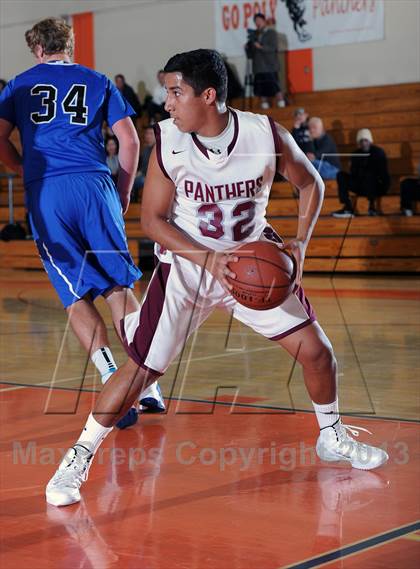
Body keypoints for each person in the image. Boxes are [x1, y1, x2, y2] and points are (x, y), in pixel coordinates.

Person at [45, 49, 388, 507]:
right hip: (188, 269)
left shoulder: (265, 134)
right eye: (166, 92)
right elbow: (153, 221)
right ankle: (78, 456)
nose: (166, 102)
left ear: (208, 96)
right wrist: (208, 261)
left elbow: (312, 183)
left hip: (252, 264)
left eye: (175, 92)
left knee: (318, 354)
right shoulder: (167, 140)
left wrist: (301, 242)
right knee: (141, 371)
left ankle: (332, 434)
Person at [0, 18, 164, 430]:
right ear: (70, 45)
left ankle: (111, 375)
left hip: (48, 193)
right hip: (95, 185)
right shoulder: (98, 80)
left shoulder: (18, 85)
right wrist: (123, 189)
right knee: (118, 285)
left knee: (75, 295)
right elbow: (128, 141)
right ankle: (145, 382)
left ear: (38, 49)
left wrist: (21, 167)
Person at [332, 129, 390, 218]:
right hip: (360, 184)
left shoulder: (378, 152)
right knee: (341, 175)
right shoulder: (355, 154)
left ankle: (372, 207)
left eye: (366, 140)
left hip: (376, 186)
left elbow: (383, 173)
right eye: (361, 141)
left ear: (370, 141)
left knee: (369, 175)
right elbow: (353, 173)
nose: (364, 143)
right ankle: (348, 207)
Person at [250, 13, 285, 109]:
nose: (258, 23)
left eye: (259, 20)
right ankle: (264, 105)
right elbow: (251, 52)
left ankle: (281, 103)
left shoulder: (271, 33)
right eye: (256, 21)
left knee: (275, 85)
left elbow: (273, 48)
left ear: (264, 21)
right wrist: (248, 46)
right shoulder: (254, 34)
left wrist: (261, 47)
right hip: (258, 65)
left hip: (269, 65)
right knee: (261, 88)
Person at [132, 125, 155, 202]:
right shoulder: (145, 149)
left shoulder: (157, 149)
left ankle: (134, 202)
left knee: (136, 181)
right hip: (144, 174)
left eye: (151, 133)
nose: (148, 136)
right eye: (147, 133)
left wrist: (140, 173)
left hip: (153, 177)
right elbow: (142, 166)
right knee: (130, 180)